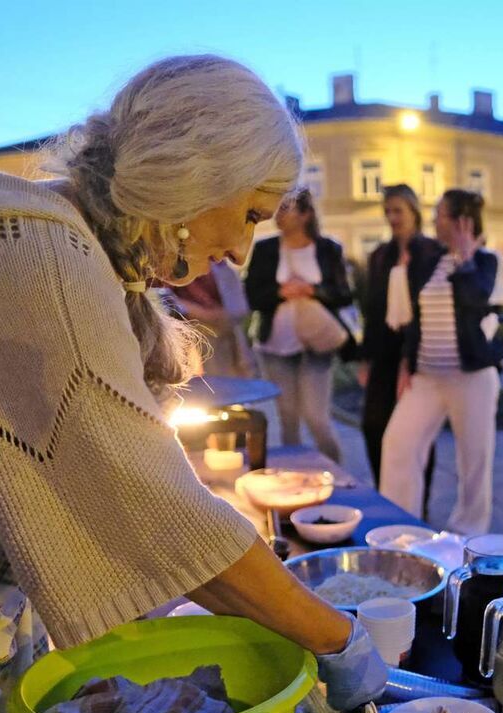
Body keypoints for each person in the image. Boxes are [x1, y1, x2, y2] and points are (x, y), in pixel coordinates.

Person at [0, 56, 387, 713]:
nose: (241, 253)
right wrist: (339, 634)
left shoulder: (42, 229)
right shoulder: (44, 265)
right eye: (255, 214)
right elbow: (166, 519)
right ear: (197, 178)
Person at [379, 189, 503, 535]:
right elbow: (415, 319)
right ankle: (400, 529)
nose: (433, 220)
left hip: (472, 378)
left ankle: (468, 534)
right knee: (398, 444)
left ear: (460, 221)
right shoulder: (431, 261)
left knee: (474, 462)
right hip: (427, 378)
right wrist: (407, 362)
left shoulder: (486, 261)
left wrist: (466, 259)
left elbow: (474, 299)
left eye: (440, 214)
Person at [245, 187, 351, 462]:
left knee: (318, 418)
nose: (278, 214)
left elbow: (344, 294)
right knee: (288, 417)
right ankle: (294, 475)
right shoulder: (265, 249)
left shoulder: (329, 248)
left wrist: (312, 290)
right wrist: (280, 293)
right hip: (276, 346)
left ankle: (340, 475)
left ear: (305, 214)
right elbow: (252, 295)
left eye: (285, 208)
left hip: (317, 345)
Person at [360, 185, 437, 507]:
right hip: (384, 352)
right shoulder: (380, 255)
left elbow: (432, 307)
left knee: (418, 434)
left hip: (420, 353)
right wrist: (365, 356)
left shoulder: (432, 253)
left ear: (413, 211)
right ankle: (386, 494)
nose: (392, 217)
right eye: (387, 211)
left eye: (398, 210)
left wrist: (411, 360)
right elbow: (371, 308)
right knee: (373, 425)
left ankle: (420, 504)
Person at [166, 259, 255, 378]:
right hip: (195, 336)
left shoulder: (221, 265)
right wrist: (202, 313)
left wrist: (221, 316)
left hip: (227, 334)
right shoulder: (175, 268)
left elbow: (239, 308)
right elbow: (166, 300)